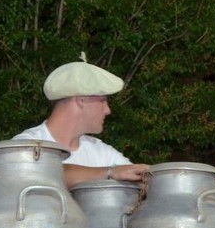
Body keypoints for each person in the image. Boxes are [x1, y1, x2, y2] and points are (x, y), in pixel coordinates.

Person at [13, 53, 150, 188]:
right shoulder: (23, 146)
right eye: (102, 101)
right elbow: (44, 174)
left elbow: (136, 177)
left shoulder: (102, 152)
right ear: (81, 100)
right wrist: (110, 173)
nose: (107, 110)